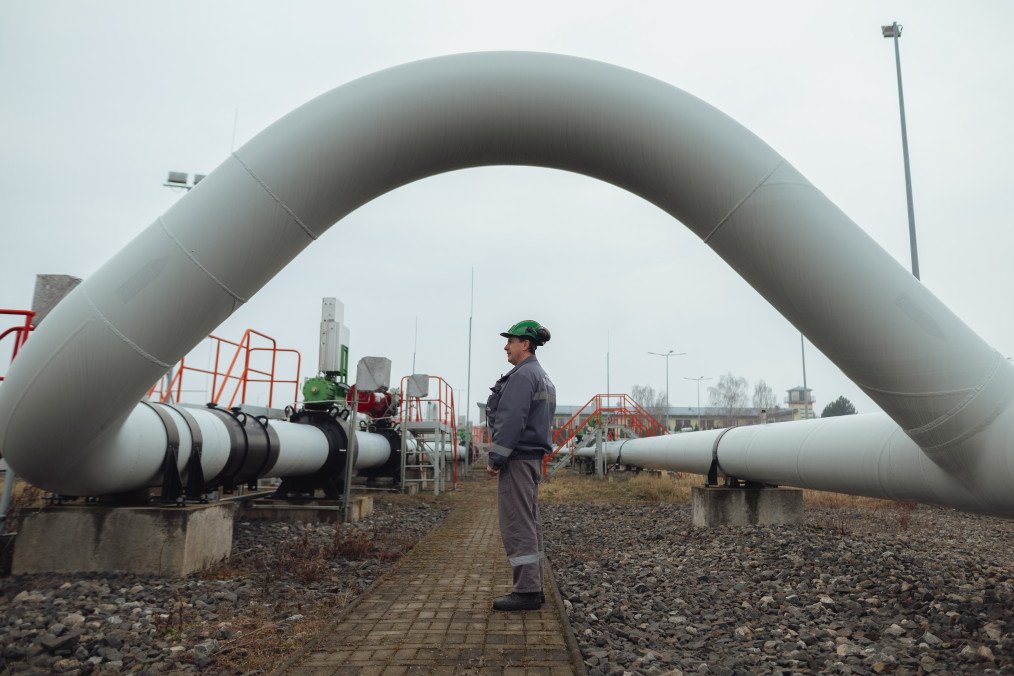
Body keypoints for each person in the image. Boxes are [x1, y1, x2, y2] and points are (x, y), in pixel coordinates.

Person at [485, 319, 556, 612]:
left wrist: (496, 457)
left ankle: (526, 591)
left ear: (525, 344)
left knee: (517, 522)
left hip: (517, 459)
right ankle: (534, 587)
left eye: (510, 341)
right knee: (530, 521)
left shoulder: (523, 376)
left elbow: (511, 421)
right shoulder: (541, 376)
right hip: (530, 459)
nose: (506, 346)